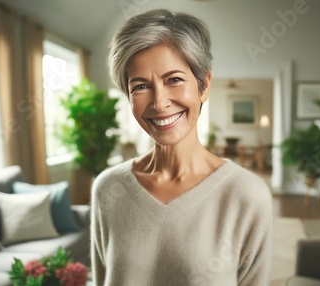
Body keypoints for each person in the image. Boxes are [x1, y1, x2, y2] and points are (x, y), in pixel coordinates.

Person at [91, 9, 273, 286]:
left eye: (174, 79)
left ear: (204, 85)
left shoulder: (247, 196)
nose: (159, 102)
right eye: (140, 86)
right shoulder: (107, 189)